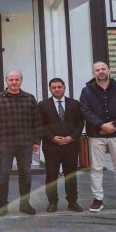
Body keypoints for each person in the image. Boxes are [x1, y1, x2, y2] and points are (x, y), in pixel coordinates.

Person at [79, 61, 116, 213]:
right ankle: (97, 199)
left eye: (103, 69)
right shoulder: (87, 90)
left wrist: (114, 124)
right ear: (94, 73)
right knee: (96, 168)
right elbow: (85, 110)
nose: (101, 71)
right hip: (96, 134)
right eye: (97, 70)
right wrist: (102, 125)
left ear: (108, 71)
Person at [0, 70, 41, 216]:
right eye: (11, 79)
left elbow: (36, 122)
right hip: (5, 143)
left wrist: (36, 141)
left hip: (25, 143)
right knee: (3, 175)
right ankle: (2, 204)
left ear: (21, 81)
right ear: (6, 81)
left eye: (17, 79)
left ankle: (24, 204)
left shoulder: (30, 98)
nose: (14, 82)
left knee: (26, 175)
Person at [38, 77, 84, 213]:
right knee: (51, 175)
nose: (57, 89)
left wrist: (72, 137)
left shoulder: (75, 104)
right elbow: (40, 125)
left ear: (64, 87)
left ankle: (72, 202)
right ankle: (52, 202)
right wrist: (52, 138)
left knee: (71, 175)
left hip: (71, 146)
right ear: (50, 89)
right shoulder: (43, 105)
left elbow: (80, 123)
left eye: (59, 87)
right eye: (54, 87)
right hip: (51, 146)